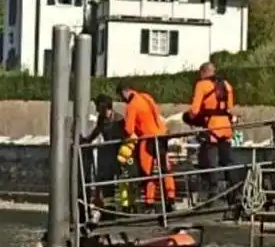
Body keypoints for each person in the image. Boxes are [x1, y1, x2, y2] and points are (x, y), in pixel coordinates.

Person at [116, 82, 176, 212]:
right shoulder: (146, 97)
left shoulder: (132, 106)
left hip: (147, 140)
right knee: (165, 169)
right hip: (162, 136)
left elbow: (129, 129)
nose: (122, 100)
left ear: (124, 92)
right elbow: (156, 112)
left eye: (121, 97)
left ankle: (150, 203)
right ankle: (171, 199)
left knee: (147, 172)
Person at [182, 63, 235, 207]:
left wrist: (187, 117)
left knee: (208, 161)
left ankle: (212, 195)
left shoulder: (202, 85)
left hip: (212, 127)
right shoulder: (227, 85)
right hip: (226, 127)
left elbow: (194, 110)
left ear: (203, 72)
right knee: (227, 161)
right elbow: (230, 108)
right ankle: (233, 194)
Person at [82, 95, 128, 209]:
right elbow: (98, 130)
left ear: (104, 107)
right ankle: (109, 206)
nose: (97, 110)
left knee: (123, 180)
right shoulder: (101, 118)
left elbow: (125, 136)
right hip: (108, 152)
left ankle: (126, 206)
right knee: (105, 180)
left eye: (98, 106)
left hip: (119, 151)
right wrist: (87, 140)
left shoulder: (119, 119)